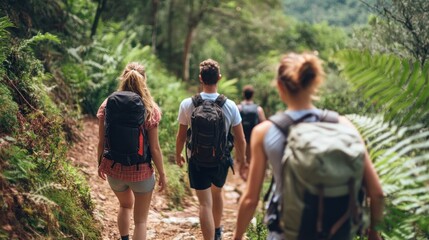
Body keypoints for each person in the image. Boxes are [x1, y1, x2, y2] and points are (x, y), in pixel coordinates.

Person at [233, 53, 384, 240]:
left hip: (286, 233)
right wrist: (373, 233)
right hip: (337, 232)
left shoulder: (265, 131)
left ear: (280, 86)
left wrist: (237, 236)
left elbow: (250, 199)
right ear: (315, 83)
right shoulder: (344, 125)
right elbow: (377, 193)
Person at [176, 59, 247, 240]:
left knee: (204, 204)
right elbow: (241, 139)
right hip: (220, 160)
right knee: (217, 193)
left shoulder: (187, 104)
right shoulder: (230, 105)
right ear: (219, 78)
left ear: (201, 78)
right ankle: (217, 231)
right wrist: (242, 160)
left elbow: (181, 135)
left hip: (196, 159)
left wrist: (178, 154)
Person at [97, 62, 167, 240]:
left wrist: (100, 164)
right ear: (145, 81)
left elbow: (102, 140)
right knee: (141, 222)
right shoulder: (150, 108)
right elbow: (155, 148)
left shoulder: (107, 104)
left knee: (125, 206)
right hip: (141, 172)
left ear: (123, 77)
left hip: (113, 169)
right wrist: (162, 174)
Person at [237, 85, 266, 165]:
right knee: (252, 161)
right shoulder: (258, 109)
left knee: (241, 162)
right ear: (253, 95)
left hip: (241, 138)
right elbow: (264, 124)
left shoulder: (239, 108)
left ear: (243, 94)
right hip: (254, 138)